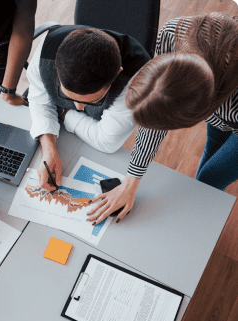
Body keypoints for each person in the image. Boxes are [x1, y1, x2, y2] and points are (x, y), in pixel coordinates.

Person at [88, 13, 238, 225]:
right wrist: (131, 181)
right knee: (214, 141)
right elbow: (158, 107)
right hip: (221, 103)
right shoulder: (172, 34)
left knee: (211, 178)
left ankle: (202, 209)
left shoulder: (232, 107)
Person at [27, 25, 151, 190]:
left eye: (93, 99)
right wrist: (49, 149)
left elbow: (106, 141)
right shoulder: (45, 53)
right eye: (67, 96)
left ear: (117, 74)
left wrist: (62, 111)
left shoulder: (137, 82)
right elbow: (39, 102)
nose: (77, 107)